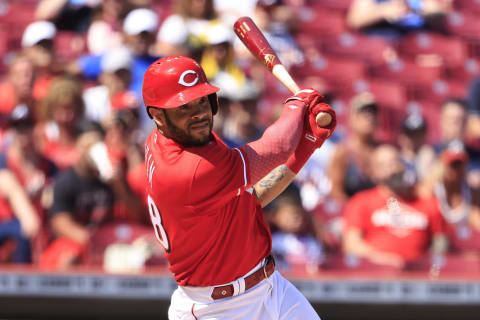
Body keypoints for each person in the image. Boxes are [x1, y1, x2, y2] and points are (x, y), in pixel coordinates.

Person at [142, 56, 336, 319]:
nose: (198, 113)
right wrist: (298, 103)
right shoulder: (190, 169)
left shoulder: (180, 140)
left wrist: (307, 143)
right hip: (218, 309)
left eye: (201, 100)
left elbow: (252, 199)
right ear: (157, 116)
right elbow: (276, 147)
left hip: (271, 288)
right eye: (183, 108)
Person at [343, 144, 448, 268]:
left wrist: (428, 264)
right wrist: (384, 260)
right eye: (384, 165)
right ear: (374, 173)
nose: (392, 169)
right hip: (377, 276)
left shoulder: (426, 201)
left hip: (419, 276)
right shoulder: (361, 202)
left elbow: (441, 242)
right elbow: (351, 244)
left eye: (395, 162)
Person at [328, 93, 378, 204]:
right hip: (354, 213)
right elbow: (336, 193)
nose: (369, 116)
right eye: (363, 112)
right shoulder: (343, 152)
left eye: (372, 112)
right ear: (352, 119)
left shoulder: (383, 151)